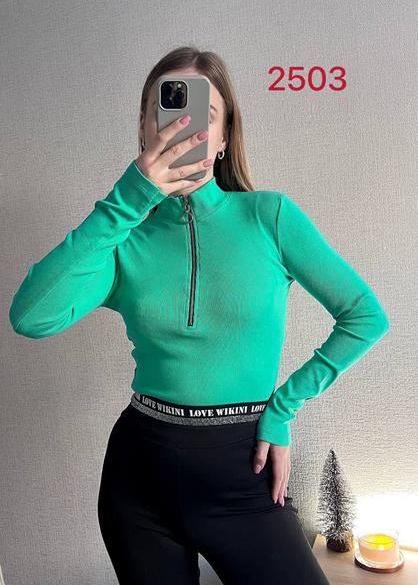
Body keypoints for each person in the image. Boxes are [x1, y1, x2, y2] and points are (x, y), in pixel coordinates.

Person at [9, 46, 389, 585]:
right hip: (138, 481)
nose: (183, 129)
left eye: (204, 116)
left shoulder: (269, 216)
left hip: (246, 473)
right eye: (166, 112)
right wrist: (127, 200)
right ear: (144, 129)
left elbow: (364, 316)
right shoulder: (123, 238)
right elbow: (31, 316)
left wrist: (283, 409)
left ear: (226, 136)